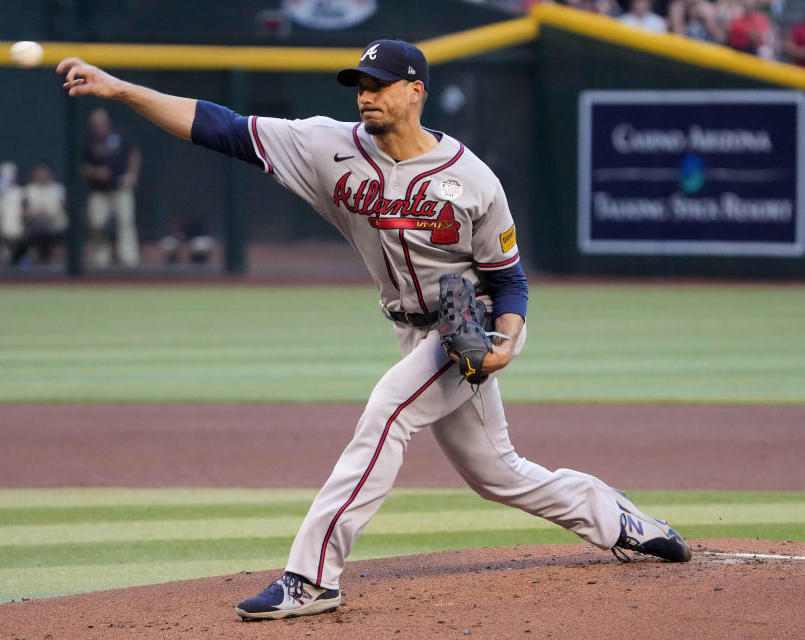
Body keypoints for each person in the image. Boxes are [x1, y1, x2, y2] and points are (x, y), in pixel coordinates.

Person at [58, 39, 691, 622]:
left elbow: (510, 281)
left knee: (387, 409)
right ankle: (615, 516)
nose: (366, 93)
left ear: (416, 91)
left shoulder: (473, 179)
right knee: (498, 474)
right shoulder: (326, 146)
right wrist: (120, 91)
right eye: (360, 82)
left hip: (459, 328)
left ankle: (312, 577)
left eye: (381, 83)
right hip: (409, 331)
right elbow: (220, 127)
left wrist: (505, 344)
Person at [82, 107, 141, 267]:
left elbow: (133, 153)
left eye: (102, 121)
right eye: (96, 123)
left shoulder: (119, 135)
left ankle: (129, 259)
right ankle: (101, 260)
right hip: (99, 191)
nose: (99, 125)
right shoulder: (88, 140)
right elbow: (81, 166)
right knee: (97, 223)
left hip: (121, 188)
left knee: (126, 222)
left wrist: (132, 174)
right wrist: (95, 172)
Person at [14, 161, 67, 265]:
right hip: (34, 225)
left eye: (44, 172)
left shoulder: (58, 189)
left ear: (50, 173)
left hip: (55, 223)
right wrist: (32, 214)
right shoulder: (28, 189)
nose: (41, 175)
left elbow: (64, 208)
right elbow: (24, 211)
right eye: (39, 172)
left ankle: (49, 258)